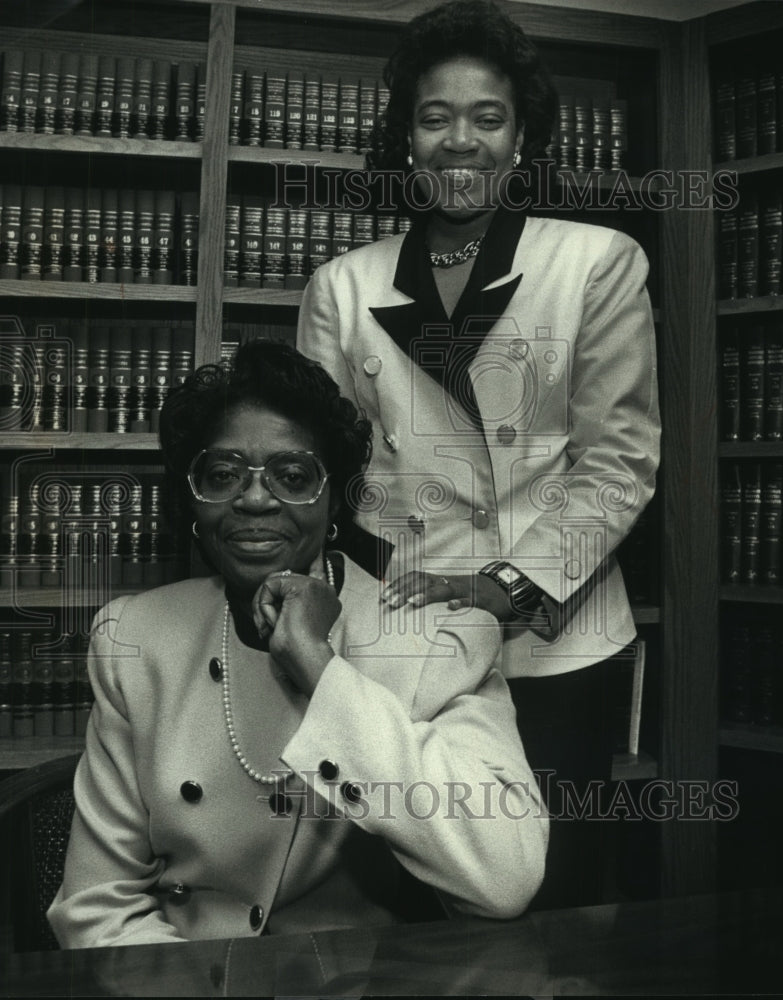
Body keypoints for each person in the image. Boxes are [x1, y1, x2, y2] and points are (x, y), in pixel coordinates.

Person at [296, 0, 660, 908]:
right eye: (435, 118)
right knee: (415, 895)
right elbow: (318, 479)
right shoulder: (342, 287)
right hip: (402, 638)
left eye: (487, 118)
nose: (462, 141)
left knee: (550, 899)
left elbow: (619, 464)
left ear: (523, 135)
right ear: (406, 140)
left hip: (555, 640)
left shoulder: (597, 263)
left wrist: (507, 588)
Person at [47, 340, 549, 948]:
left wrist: (322, 668)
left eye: (292, 476)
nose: (255, 499)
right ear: (195, 498)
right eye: (223, 474)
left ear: (335, 498)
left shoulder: (436, 637)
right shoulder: (134, 638)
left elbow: (506, 876)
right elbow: (97, 907)